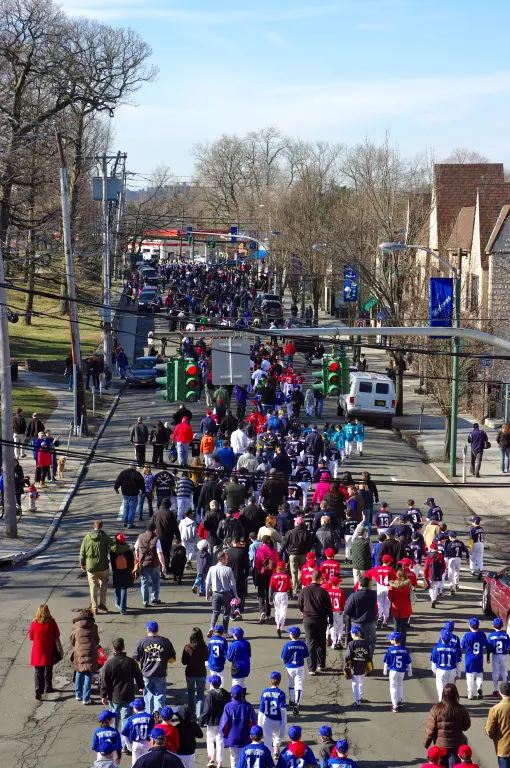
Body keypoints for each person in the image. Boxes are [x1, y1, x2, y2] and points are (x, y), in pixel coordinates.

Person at [100, 636, 144, 751]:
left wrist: (103, 695)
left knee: (114, 721)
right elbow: (138, 675)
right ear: (123, 647)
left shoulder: (109, 664)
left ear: (113, 649)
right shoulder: (130, 662)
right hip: (128, 696)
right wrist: (141, 686)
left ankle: (114, 742)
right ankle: (125, 745)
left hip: (113, 697)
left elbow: (104, 680)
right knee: (126, 720)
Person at [132, 621, 176, 714]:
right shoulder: (165, 641)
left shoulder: (142, 641)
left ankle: (149, 714)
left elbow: (135, 658)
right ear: (157, 629)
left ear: (148, 630)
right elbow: (172, 659)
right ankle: (158, 713)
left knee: (148, 696)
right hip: (160, 673)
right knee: (160, 695)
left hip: (146, 674)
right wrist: (163, 659)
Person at [424, 684, 471, 768]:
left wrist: (427, 742)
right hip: (456, 744)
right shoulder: (461, 709)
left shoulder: (436, 709)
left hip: (440, 746)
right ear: (456, 694)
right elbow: (466, 726)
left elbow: (430, 729)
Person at [298, 571, 333, 675]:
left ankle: (311, 668)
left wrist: (303, 611)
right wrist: (330, 620)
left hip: (308, 619)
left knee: (310, 642)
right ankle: (321, 664)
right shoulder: (323, 591)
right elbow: (329, 608)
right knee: (321, 642)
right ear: (320, 579)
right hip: (321, 619)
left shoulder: (304, 590)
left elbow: (299, 603)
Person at [28, 603, 60, 700]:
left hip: (37, 651)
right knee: (48, 668)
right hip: (49, 649)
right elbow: (57, 634)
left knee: (38, 671)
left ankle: (38, 688)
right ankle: (48, 686)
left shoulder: (34, 623)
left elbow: (31, 637)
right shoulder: (51, 622)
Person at [219, 685, 257, 768]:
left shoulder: (228, 706)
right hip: (245, 737)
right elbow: (254, 722)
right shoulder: (248, 706)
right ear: (242, 695)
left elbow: (223, 724)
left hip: (232, 738)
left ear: (232, 695)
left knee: (234, 758)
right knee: (245, 758)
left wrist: (224, 735)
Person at [80, 520, 112, 615]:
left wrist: (83, 564)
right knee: (104, 584)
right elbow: (113, 547)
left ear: (93, 527)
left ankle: (94, 608)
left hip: (91, 567)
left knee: (93, 586)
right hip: (103, 566)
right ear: (102, 527)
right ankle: (102, 603)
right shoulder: (105, 537)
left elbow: (82, 552)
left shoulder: (87, 537)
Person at [134, 521, 168, 607]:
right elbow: (160, 553)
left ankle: (145, 601)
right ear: (154, 529)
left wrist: (138, 558)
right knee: (156, 582)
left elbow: (136, 548)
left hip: (144, 564)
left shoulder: (140, 537)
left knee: (144, 583)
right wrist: (163, 565)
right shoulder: (156, 539)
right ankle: (154, 598)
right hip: (154, 563)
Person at [71, 608, 100, 705]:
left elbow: (72, 640)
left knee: (79, 671)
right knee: (88, 674)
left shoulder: (75, 626)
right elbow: (97, 640)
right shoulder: (93, 626)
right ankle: (86, 698)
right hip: (90, 652)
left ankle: (78, 695)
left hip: (79, 652)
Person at [201, 674, 231, 767]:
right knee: (220, 741)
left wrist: (201, 721)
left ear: (211, 684)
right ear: (220, 683)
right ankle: (220, 761)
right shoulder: (226, 693)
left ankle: (211, 759)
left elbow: (207, 710)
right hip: (222, 721)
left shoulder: (210, 694)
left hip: (211, 721)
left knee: (210, 740)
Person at [343, 575, 378, 658]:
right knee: (370, 643)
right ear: (369, 584)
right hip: (370, 623)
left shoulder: (353, 596)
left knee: (355, 643)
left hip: (356, 623)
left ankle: (356, 662)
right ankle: (368, 662)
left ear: (359, 584)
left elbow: (347, 611)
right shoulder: (373, 595)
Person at [205, 551, 238, 635]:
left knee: (215, 612)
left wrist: (207, 593)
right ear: (222, 559)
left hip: (215, 593)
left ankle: (212, 627)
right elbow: (232, 584)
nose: (228, 560)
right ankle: (225, 631)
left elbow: (207, 582)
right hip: (226, 594)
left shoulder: (212, 568)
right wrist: (236, 595)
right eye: (226, 558)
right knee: (226, 613)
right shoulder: (228, 569)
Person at [257, 671, 287, 760]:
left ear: (270, 681)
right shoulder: (281, 693)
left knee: (267, 739)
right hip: (277, 719)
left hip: (267, 720)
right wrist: (283, 723)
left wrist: (260, 724)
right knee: (278, 737)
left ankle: (267, 757)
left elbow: (261, 709)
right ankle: (276, 750)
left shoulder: (264, 692)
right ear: (280, 681)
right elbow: (283, 710)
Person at [281, 627, 309, 716]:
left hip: (289, 667)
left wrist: (286, 662)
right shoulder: (302, 644)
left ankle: (292, 701)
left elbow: (283, 658)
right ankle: (297, 703)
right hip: (299, 666)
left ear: (291, 635)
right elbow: (306, 655)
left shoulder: (287, 645)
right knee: (299, 684)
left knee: (291, 683)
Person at [182, 627, 209, 720]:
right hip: (201, 673)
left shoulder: (187, 648)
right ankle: (199, 715)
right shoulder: (204, 647)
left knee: (190, 693)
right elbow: (206, 658)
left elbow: (184, 662)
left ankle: (191, 714)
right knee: (201, 694)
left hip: (190, 673)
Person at [382, 631, 413, 713]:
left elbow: (386, 661)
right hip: (402, 671)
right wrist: (410, 671)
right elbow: (408, 662)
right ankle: (399, 700)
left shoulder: (390, 650)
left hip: (393, 671)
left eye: (391, 639)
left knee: (393, 687)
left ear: (394, 640)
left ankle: (395, 705)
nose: (390, 640)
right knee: (400, 685)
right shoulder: (405, 649)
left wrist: (385, 670)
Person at [344, 625, 371, 707]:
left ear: (353, 634)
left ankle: (357, 700)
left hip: (354, 667)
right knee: (361, 682)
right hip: (363, 666)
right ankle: (360, 696)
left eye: (351, 634)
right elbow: (368, 656)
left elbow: (348, 657)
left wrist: (346, 666)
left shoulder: (351, 644)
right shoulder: (366, 643)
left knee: (355, 684)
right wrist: (369, 666)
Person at [431, 630, 462, 701]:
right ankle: (451, 705)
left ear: (441, 638)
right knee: (451, 691)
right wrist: (458, 674)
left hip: (441, 670)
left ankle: (442, 705)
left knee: (441, 690)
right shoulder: (454, 648)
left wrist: (436, 672)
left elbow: (433, 663)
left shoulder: (436, 648)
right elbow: (458, 663)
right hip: (452, 671)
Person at [461, 617, 488, 700]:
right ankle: (479, 686)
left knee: (470, 676)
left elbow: (463, 646)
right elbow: (485, 645)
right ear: (478, 626)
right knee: (479, 673)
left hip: (469, 658)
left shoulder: (467, 635)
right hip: (479, 658)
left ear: (470, 626)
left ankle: (470, 694)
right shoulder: (482, 634)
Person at [122, 698, 155, 764]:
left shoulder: (132, 719)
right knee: (147, 763)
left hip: (136, 744)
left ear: (135, 708)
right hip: (147, 743)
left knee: (135, 763)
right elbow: (153, 731)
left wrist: (129, 746)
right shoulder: (150, 717)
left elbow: (124, 733)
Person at [485, 680, 510, 767]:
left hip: (503, 748)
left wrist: (494, 737)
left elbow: (489, 730)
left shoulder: (495, 709)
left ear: (500, 692)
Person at [114, 462, 145, 529]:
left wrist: (116, 488)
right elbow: (142, 484)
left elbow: (118, 481)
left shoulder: (123, 473)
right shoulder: (137, 474)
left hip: (125, 494)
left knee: (126, 508)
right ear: (134, 467)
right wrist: (143, 491)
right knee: (132, 509)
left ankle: (125, 521)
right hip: (134, 494)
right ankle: (130, 524)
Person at [110, 533, 134, 615]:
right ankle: (123, 608)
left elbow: (112, 561)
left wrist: (113, 569)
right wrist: (131, 569)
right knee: (124, 588)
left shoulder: (113, 549)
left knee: (117, 586)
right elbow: (131, 560)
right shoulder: (128, 548)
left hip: (116, 571)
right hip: (126, 571)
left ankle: (118, 603)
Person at [387, 568, 413, 643]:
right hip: (406, 609)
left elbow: (390, 598)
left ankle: (396, 642)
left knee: (396, 627)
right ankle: (403, 643)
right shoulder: (408, 585)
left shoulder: (393, 586)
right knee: (404, 628)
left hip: (396, 609)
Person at [269, 561, 293, 638]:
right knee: (283, 611)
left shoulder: (273, 576)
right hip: (284, 594)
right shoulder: (287, 576)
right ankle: (280, 624)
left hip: (276, 594)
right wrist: (291, 595)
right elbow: (290, 587)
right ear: (284, 568)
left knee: (277, 610)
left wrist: (270, 598)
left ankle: (278, 626)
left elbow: (271, 588)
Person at [175, 704, 203, 768]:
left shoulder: (177, 727)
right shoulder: (193, 725)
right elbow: (200, 735)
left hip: (179, 753)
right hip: (190, 752)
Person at [488, 618, 510, 697]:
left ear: (494, 626)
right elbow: (509, 646)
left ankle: (496, 689)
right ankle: (506, 688)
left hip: (495, 656)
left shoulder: (491, 636)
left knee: (495, 672)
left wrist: (488, 657)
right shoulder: (505, 635)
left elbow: (489, 648)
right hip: (503, 655)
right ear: (502, 625)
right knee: (504, 671)